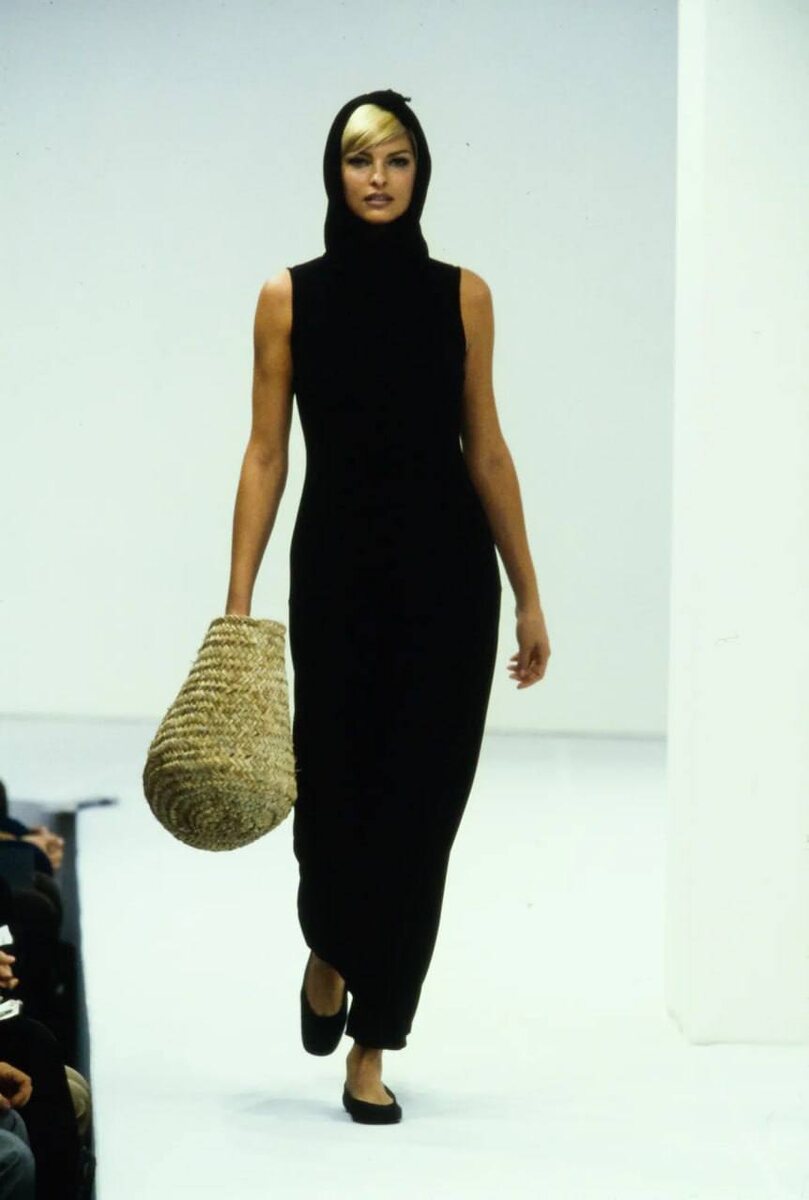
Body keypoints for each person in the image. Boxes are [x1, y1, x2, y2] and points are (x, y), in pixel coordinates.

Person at [226, 88, 550, 1124]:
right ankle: (328, 947)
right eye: (360, 159)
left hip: (448, 580)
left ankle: (374, 1044)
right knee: (333, 799)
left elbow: (485, 447)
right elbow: (266, 452)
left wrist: (528, 593)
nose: (378, 177)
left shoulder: (464, 295)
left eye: (397, 158)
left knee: (420, 816)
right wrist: (237, 606)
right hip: (336, 577)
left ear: (420, 173)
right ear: (334, 173)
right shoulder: (288, 296)